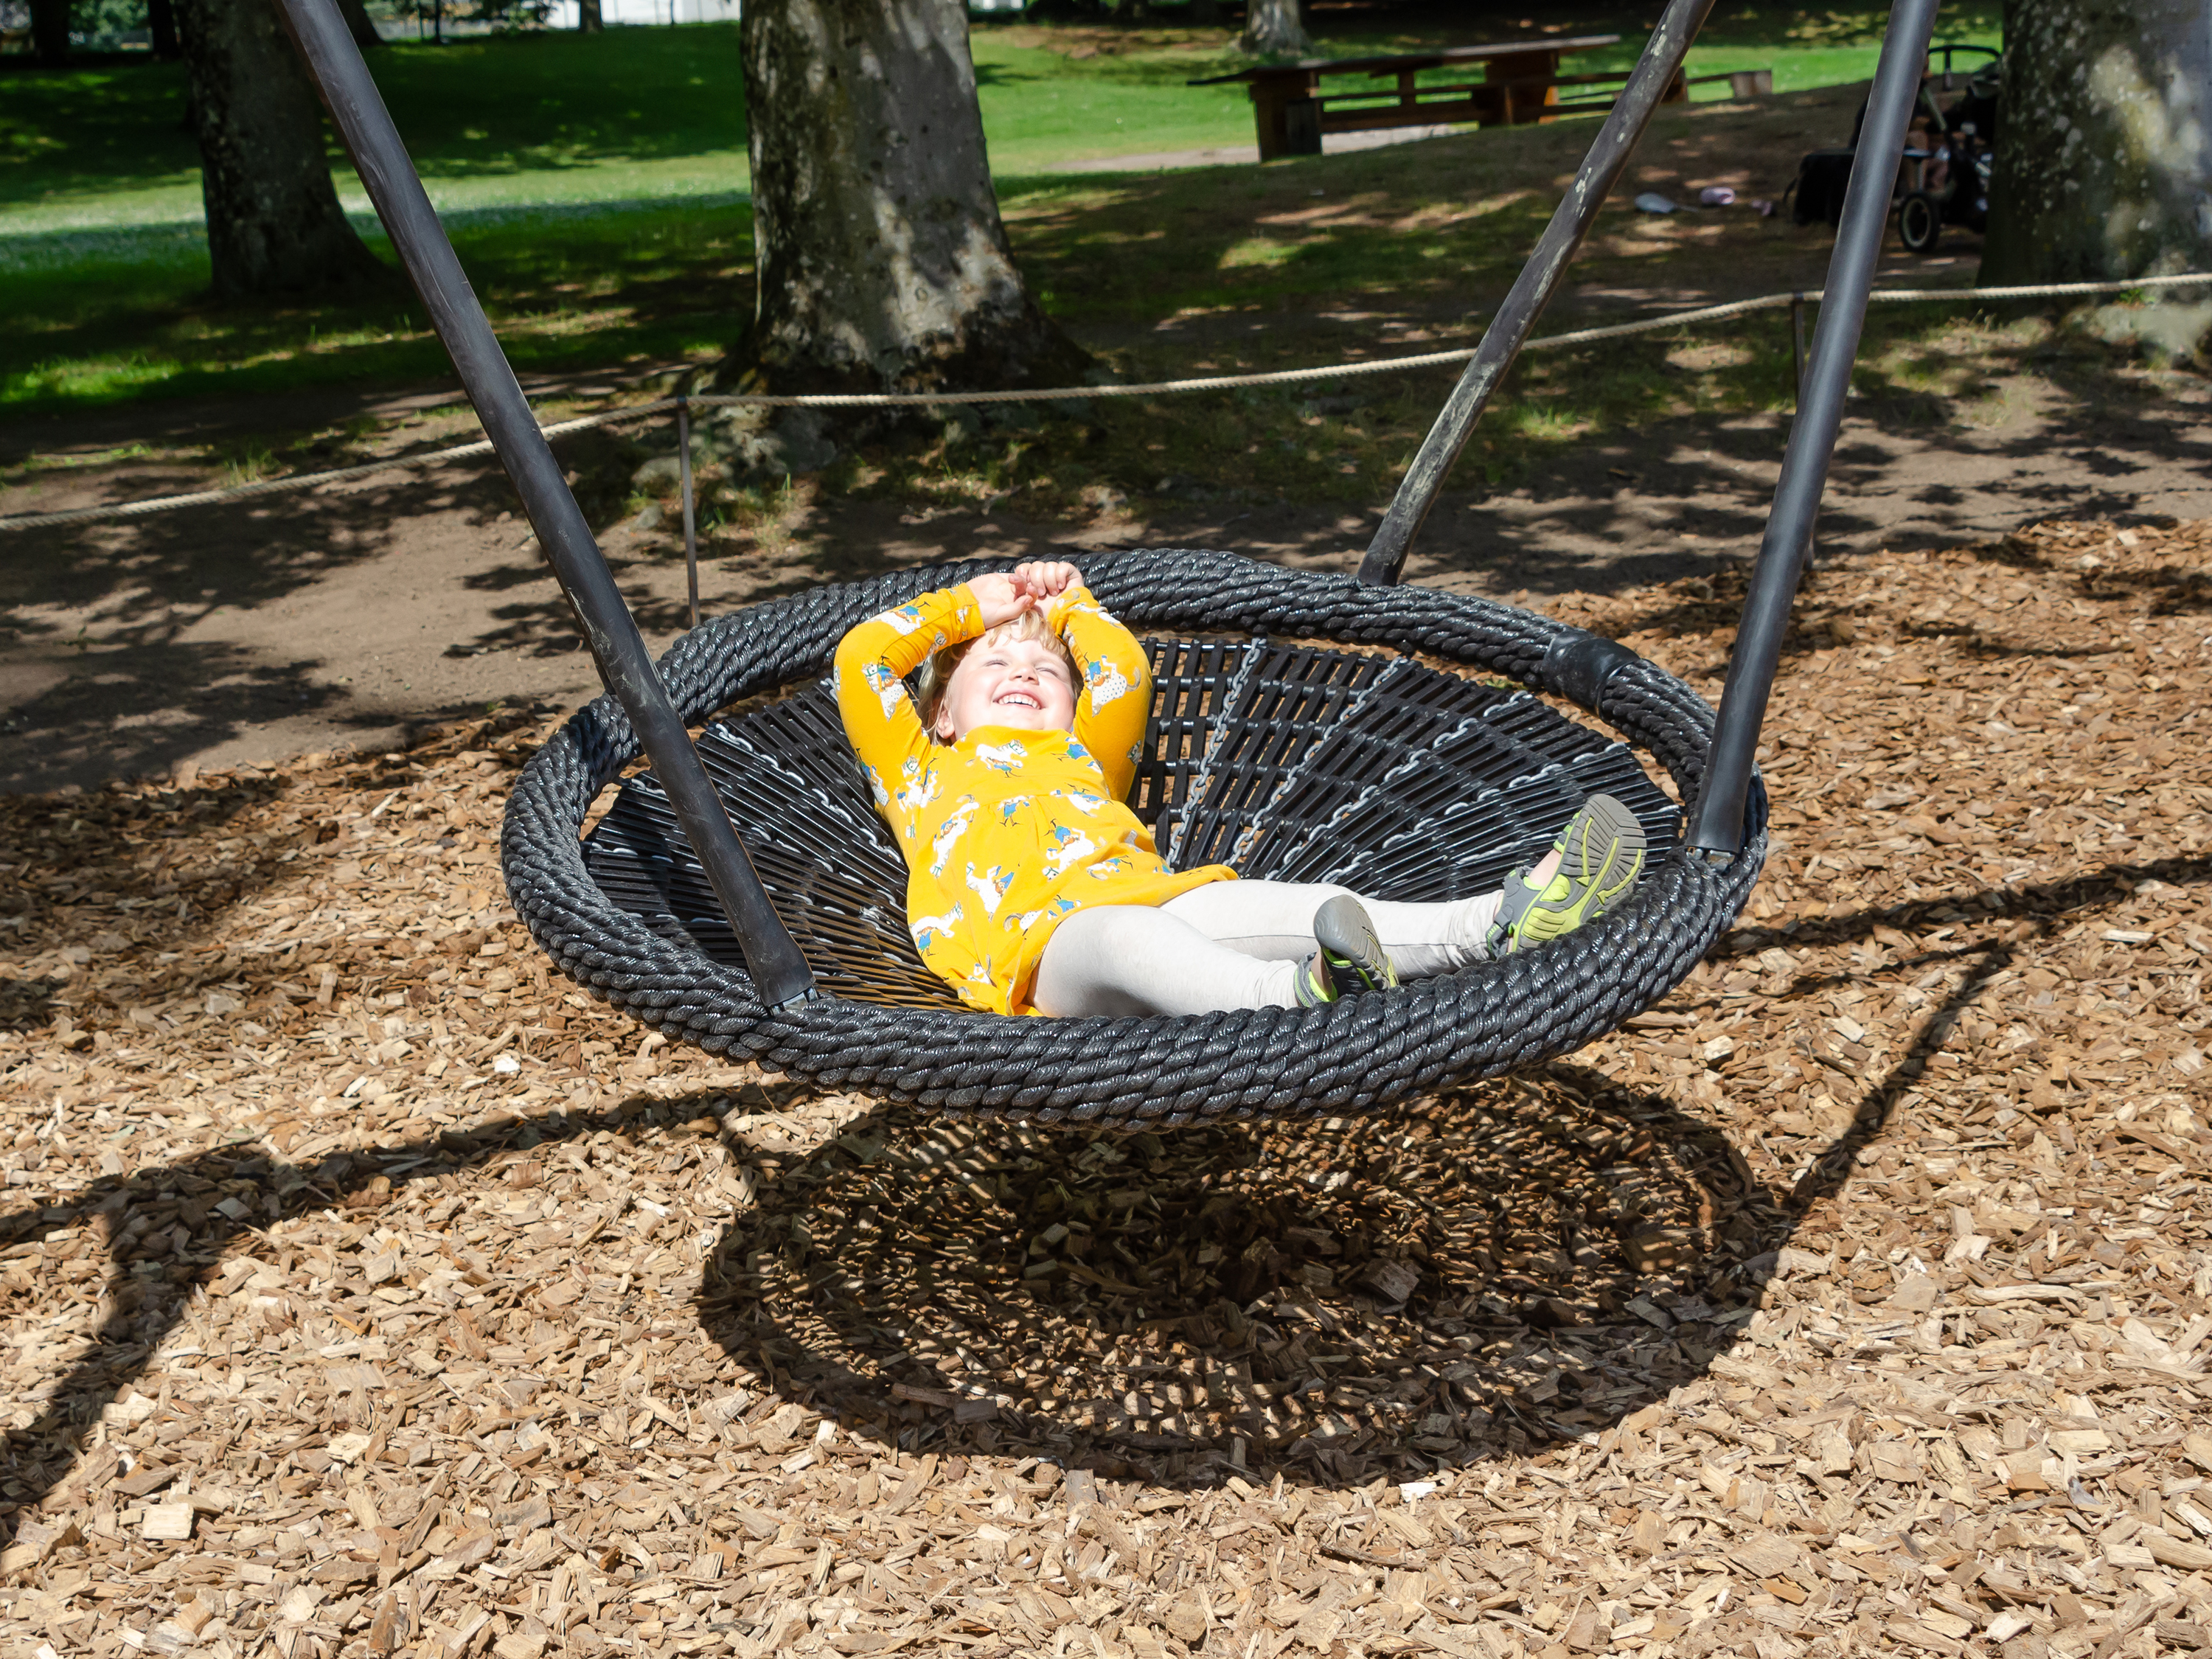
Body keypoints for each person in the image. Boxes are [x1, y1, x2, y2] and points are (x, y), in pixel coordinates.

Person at [833, 561, 1644, 1018]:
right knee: (1126, 939)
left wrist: (1068, 606)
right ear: (940, 711)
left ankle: (1497, 925)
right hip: (1039, 961)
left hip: (1159, 898)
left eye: (1045, 670)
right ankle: (1290, 999)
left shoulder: (1083, 755)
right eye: (997, 665)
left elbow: (1124, 672)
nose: (1025, 672)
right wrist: (969, 606)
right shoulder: (920, 768)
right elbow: (861, 662)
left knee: (1301, 904)